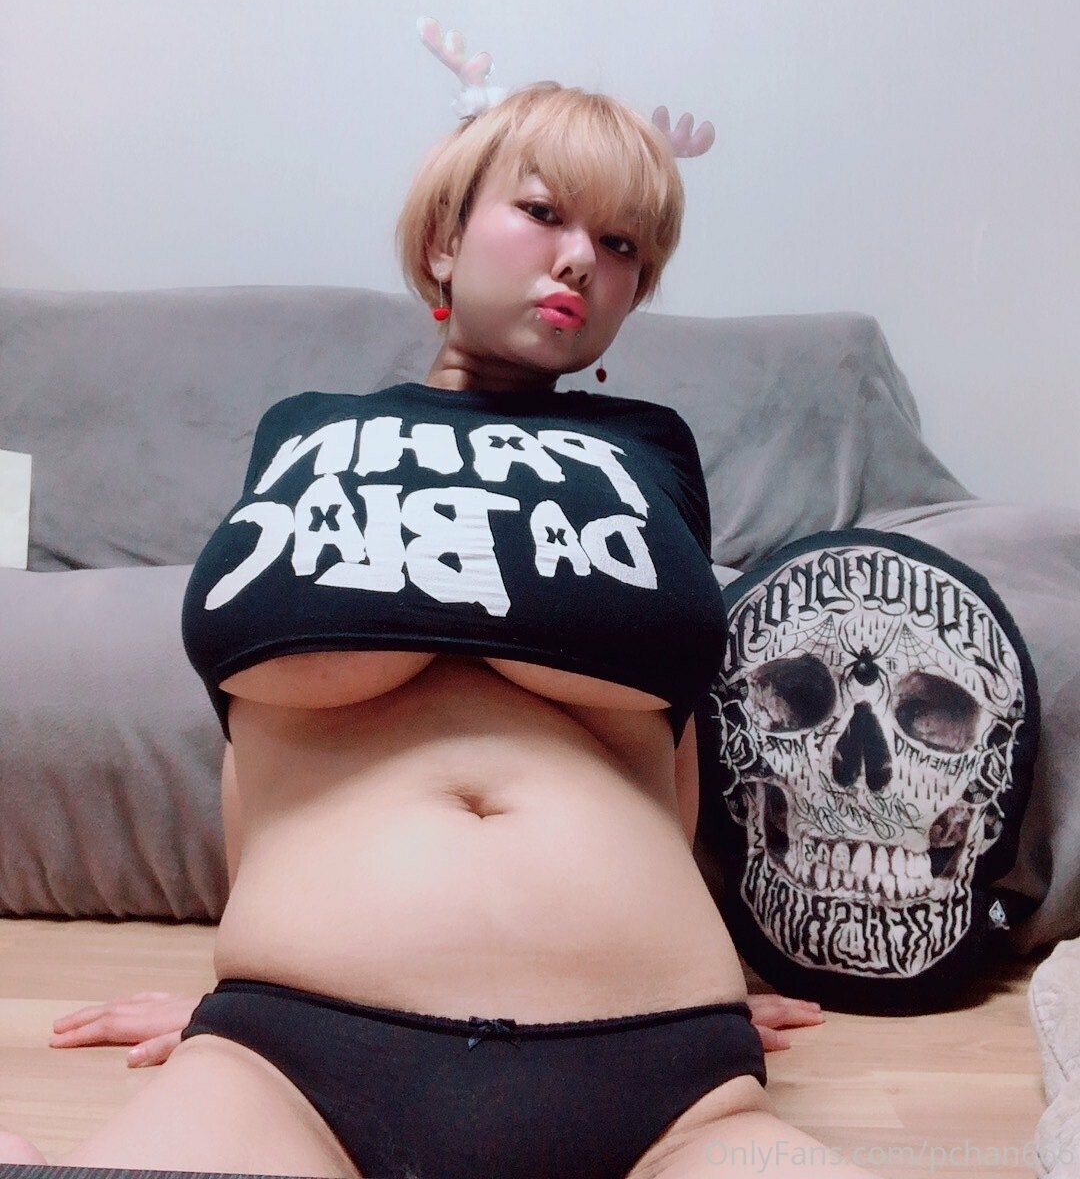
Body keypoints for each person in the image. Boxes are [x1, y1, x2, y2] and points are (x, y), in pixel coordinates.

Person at [2, 79, 873, 1178]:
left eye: (620, 245)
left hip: (663, 1069)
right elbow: (251, 739)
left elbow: (670, 739)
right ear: (444, 241)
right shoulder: (310, 433)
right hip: (296, 1055)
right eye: (544, 212)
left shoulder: (647, 451)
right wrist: (231, 991)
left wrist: (710, 967)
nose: (579, 260)